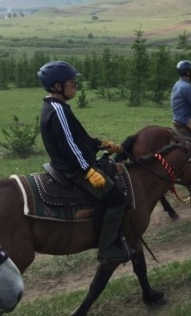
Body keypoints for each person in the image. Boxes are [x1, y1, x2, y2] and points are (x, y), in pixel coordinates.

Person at [37, 60, 132, 263]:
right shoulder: (59, 110)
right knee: (117, 199)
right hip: (74, 169)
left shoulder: (55, 106)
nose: (75, 85)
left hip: (72, 164)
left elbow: (77, 138)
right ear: (57, 86)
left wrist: (101, 144)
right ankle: (107, 249)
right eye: (71, 82)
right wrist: (87, 170)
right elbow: (70, 146)